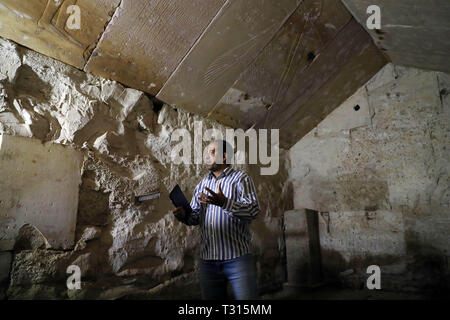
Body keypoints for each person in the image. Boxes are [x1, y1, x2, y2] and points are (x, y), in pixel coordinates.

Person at [172, 139, 260, 300]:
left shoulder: (241, 179)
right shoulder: (202, 184)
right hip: (208, 261)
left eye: (212, 152)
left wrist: (225, 203)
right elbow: (195, 217)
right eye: (206, 152)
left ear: (225, 156)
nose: (207, 156)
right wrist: (184, 215)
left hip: (238, 258)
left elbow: (253, 211)